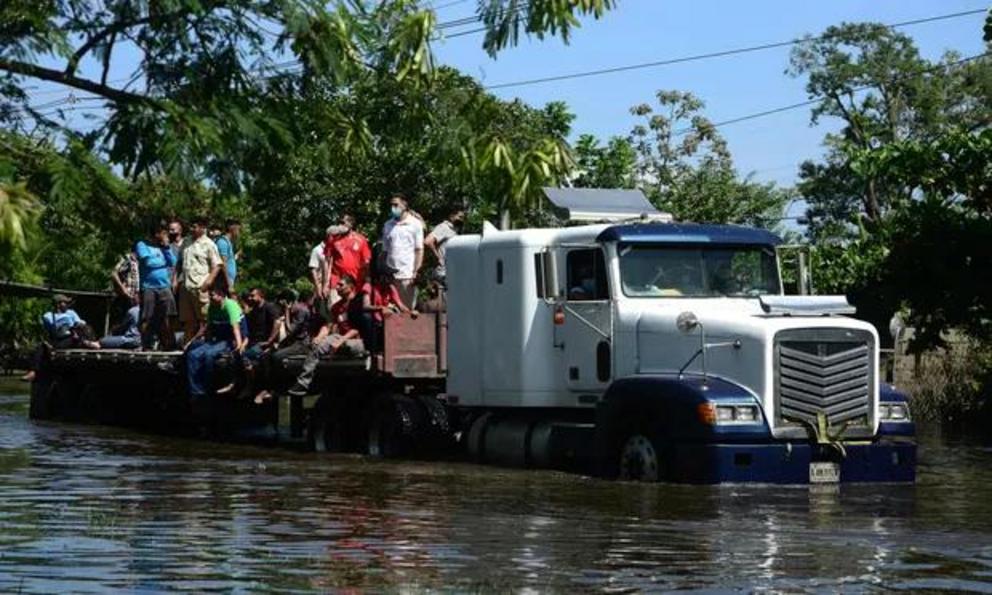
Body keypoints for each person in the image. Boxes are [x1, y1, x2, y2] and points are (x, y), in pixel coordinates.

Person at [287, 275, 365, 397]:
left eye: (341, 285)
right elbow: (328, 326)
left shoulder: (358, 303)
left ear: (350, 287)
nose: (337, 287)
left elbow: (357, 329)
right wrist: (319, 337)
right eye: (337, 285)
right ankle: (303, 383)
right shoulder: (336, 307)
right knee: (318, 346)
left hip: (358, 339)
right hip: (340, 338)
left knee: (346, 345)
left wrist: (340, 341)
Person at [185, 285, 245, 399]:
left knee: (209, 355)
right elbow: (208, 327)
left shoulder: (230, 305)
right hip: (216, 340)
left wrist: (239, 345)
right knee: (193, 355)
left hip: (229, 340)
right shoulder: (212, 307)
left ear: (221, 295)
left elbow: (235, 327)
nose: (210, 298)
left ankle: (208, 386)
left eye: (212, 295)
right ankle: (196, 391)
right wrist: (198, 342)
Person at [176, 216, 223, 343]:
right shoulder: (186, 242)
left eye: (195, 226)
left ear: (203, 228)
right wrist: (174, 280)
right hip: (186, 287)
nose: (192, 229)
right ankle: (187, 347)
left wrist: (207, 283)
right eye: (191, 226)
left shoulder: (209, 244)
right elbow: (179, 262)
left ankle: (207, 345)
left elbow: (217, 265)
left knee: (205, 319)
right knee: (188, 321)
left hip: (200, 287)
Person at [135, 220, 178, 350]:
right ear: (156, 234)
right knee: (147, 317)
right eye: (164, 233)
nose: (166, 236)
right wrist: (162, 262)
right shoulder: (142, 245)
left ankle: (168, 344)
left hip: (164, 286)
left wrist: (166, 248)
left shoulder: (164, 247)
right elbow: (148, 262)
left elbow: (173, 262)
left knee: (168, 316)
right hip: (148, 287)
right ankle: (145, 344)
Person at [381, 193, 423, 309]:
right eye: (391, 205)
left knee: (408, 310)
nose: (393, 208)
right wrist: (383, 271)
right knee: (392, 312)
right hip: (391, 277)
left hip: (407, 276)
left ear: (404, 205)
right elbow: (385, 251)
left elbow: (419, 250)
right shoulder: (387, 225)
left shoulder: (415, 224)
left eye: (396, 205)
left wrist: (416, 271)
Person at [324, 214, 371, 303]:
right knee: (334, 309)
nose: (340, 225)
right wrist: (325, 284)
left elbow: (366, 263)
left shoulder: (361, 239)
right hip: (336, 282)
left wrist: (367, 281)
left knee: (353, 312)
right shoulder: (332, 239)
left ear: (351, 224)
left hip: (355, 283)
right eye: (339, 223)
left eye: (343, 223)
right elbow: (327, 261)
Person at [424, 207, 465, 286]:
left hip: (451, 272)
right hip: (443, 273)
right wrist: (438, 258)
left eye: (463, 218)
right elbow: (428, 241)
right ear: (451, 216)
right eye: (459, 217)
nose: (461, 220)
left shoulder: (454, 231)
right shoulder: (443, 227)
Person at [214, 218, 241, 293]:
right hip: (223, 282)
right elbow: (223, 264)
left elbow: (228, 260)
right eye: (238, 230)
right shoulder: (223, 242)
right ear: (231, 228)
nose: (239, 233)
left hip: (228, 281)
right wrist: (229, 284)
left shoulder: (228, 243)